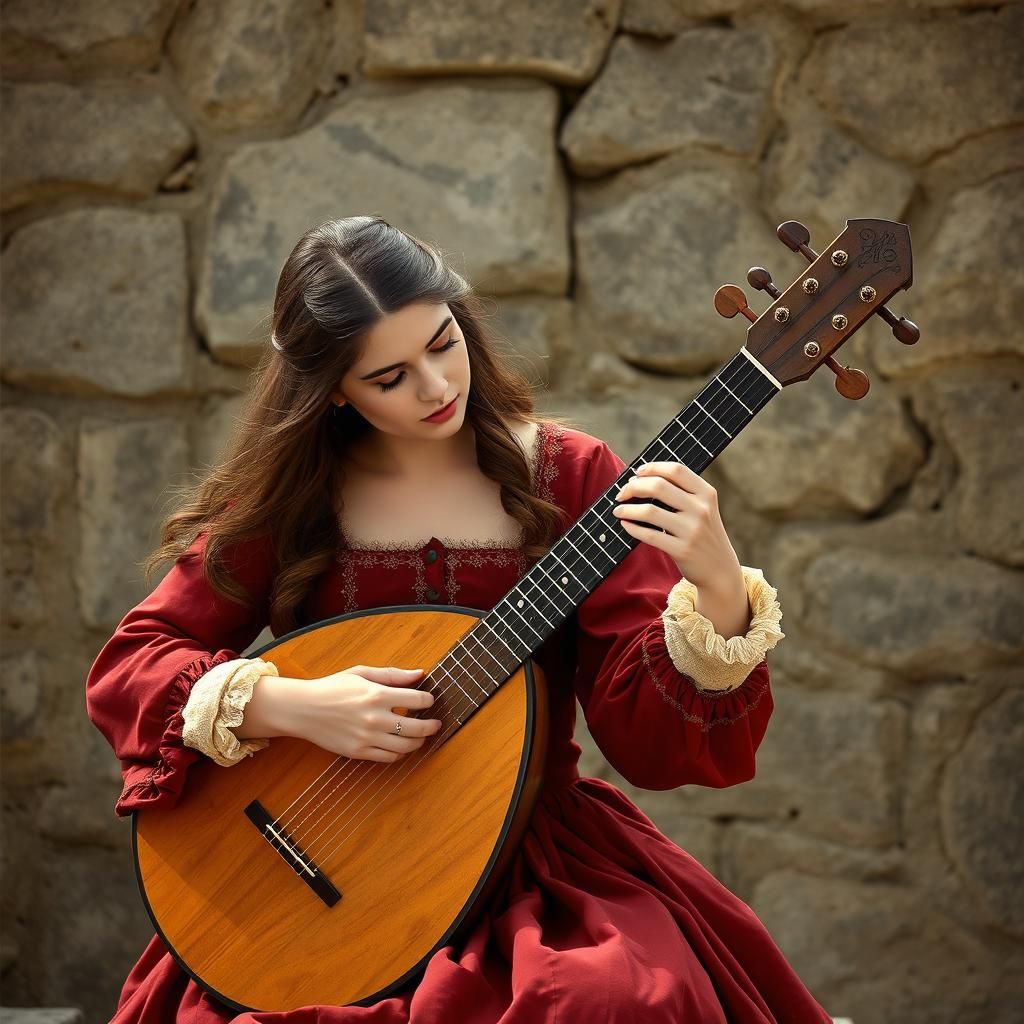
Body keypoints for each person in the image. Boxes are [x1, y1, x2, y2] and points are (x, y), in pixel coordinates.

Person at [86, 215, 833, 1022]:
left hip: (530, 864)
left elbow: (649, 742)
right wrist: (300, 706)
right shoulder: (294, 502)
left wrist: (719, 584)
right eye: (389, 378)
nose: (437, 387)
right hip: (316, 884)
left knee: (606, 996)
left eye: (443, 345)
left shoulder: (571, 473)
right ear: (334, 387)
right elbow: (134, 662)